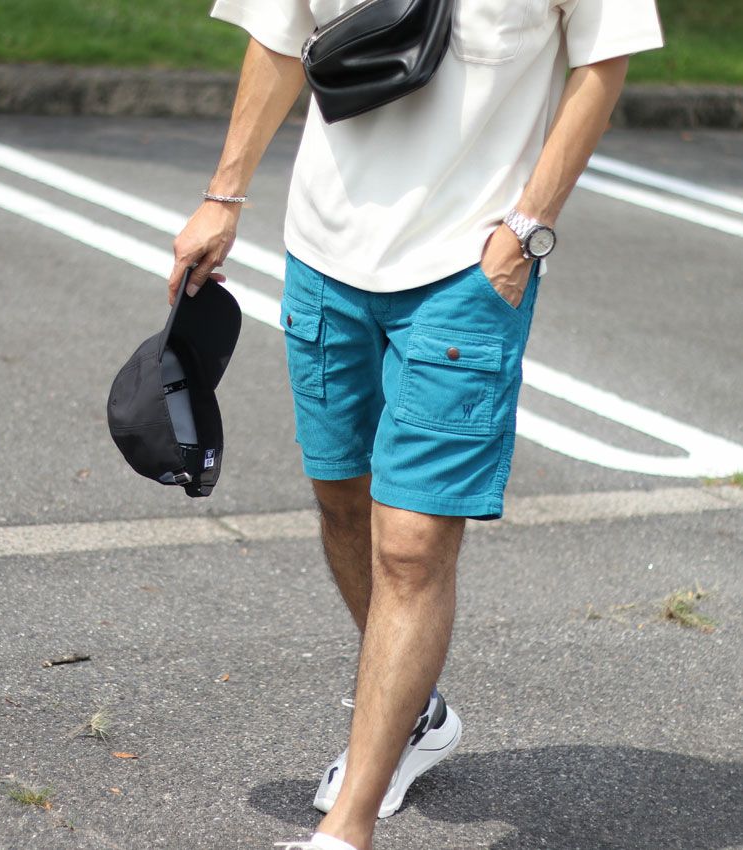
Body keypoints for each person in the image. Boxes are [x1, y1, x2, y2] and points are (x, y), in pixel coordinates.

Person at [167, 1, 663, 848]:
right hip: (323, 255)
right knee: (343, 504)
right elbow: (278, 35)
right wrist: (224, 195)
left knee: (410, 545)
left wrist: (526, 228)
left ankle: (347, 829)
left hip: (469, 269)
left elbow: (602, 62)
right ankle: (413, 715)